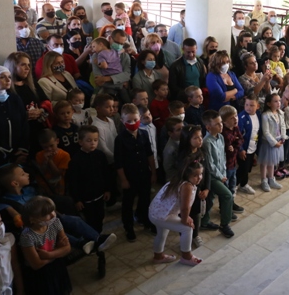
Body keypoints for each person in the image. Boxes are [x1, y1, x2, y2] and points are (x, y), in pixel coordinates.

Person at [114, 103, 157, 241]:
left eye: (135, 119)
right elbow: (119, 162)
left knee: (145, 199)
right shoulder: (120, 139)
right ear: (123, 121)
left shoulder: (144, 134)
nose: (133, 123)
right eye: (129, 121)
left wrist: (153, 172)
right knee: (128, 202)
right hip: (130, 176)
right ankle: (128, 227)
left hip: (144, 173)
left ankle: (144, 218)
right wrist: (123, 180)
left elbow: (150, 155)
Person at [149, 160, 203, 266]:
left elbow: (187, 205)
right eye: (195, 175)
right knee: (187, 228)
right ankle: (186, 257)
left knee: (162, 233)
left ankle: (158, 257)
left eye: (200, 174)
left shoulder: (180, 180)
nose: (199, 177)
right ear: (187, 175)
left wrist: (187, 217)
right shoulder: (187, 186)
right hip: (161, 215)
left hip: (156, 212)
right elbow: (184, 208)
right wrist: (185, 220)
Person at [19, 196, 72, 295]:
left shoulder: (55, 222)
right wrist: (58, 251)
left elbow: (67, 248)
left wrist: (49, 255)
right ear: (32, 219)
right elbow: (36, 264)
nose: (53, 215)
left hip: (57, 266)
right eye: (47, 214)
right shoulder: (27, 236)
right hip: (40, 275)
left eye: (53, 211)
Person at [68, 125, 112, 234]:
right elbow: (73, 181)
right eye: (89, 140)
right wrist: (77, 199)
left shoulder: (100, 155)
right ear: (80, 142)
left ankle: (99, 236)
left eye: (95, 140)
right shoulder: (76, 160)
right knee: (90, 221)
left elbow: (106, 174)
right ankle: (93, 239)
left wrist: (107, 189)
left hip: (99, 195)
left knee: (100, 217)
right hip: (85, 199)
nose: (93, 143)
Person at [5, 52, 48, 156]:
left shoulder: (32, 84)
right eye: (23, 65)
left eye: (29, 65)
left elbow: (46, 101)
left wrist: (41, 110)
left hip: (37, 129)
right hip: (20, 133)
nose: (27, 68)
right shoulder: (6, 89)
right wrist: (24, 115)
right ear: (13, 66)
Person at [201, 110, 235, 238]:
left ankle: (204, 221)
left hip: (221, 174)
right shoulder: (206, 142)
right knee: (227, 195)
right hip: (212, 177)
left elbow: (223, 157)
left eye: (221, 122)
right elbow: (210, 165)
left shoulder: (220, 137)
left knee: (210, 200)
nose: (221, 125)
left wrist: (224, 173)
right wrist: (221, 177)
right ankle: (224, 225)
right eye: (217, 124)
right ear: (208, 127)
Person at [219, 105, 245, 214]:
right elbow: (228, 150)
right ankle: (224, 209)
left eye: (236, 116)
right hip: (226, 166)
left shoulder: (236, 128)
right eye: (231, 118)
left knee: (232, 187)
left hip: (234, 164)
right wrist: (235, 141)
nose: (235, 119)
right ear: (224, 122)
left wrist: (235, 143)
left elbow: (241, 139)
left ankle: (231, 203)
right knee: (226, 189)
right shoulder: (224, 133)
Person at [258, 94, 285, 192]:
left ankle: (271, 179)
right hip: (268, 142)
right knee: (265, 162)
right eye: (275, 101)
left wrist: (283, 137)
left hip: (278, 140)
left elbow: (283, 126)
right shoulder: (265, 115)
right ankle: (264, 180)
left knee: (272, 161)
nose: (279, 103)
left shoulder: (280, 113)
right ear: (269, 104)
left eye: (279, 101)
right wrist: (274, 143)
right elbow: (266, 132)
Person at [0, 208, 24, 295]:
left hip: (8, 287)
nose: (0, 227)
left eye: (0, 222)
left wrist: (20, 290)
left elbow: (15, 265)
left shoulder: (9, 239)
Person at [237, 94, 261, 195]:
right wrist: (241, 149)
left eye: (252, 105)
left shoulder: (258, 115)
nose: (248, 107)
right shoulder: (241, 117)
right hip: (244, 149)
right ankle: (234, 186)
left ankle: (244, 184)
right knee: (243, 168)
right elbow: (238, 135)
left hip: (253, 147)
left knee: (248, 168)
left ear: (257, 106)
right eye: (246, 105)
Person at [35, 128, 70, 196]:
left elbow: (57, 174)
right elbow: (41, 173)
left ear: (57, 141)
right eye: (45, 147)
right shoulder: (39, 155)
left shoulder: (64, 155)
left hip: (58, 189)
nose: (49, 149)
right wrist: (45, 161)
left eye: (51, 145)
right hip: (43, 188)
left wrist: (50, 161)